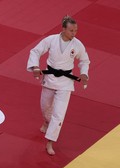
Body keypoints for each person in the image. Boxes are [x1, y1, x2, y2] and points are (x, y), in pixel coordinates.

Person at [27, 15, 90, 155]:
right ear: (63, 29)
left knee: (59, 114)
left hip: (66, 82)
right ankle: (46, 122)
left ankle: (50, 142)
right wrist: (35, 67)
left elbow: (84, 61)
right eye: (71, 30)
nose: (74, 33)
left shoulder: (77, 45)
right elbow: (35, 51)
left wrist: (84, 73)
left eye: (76, 30)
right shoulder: (51, 40)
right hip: (50, 77)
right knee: (45, 107)